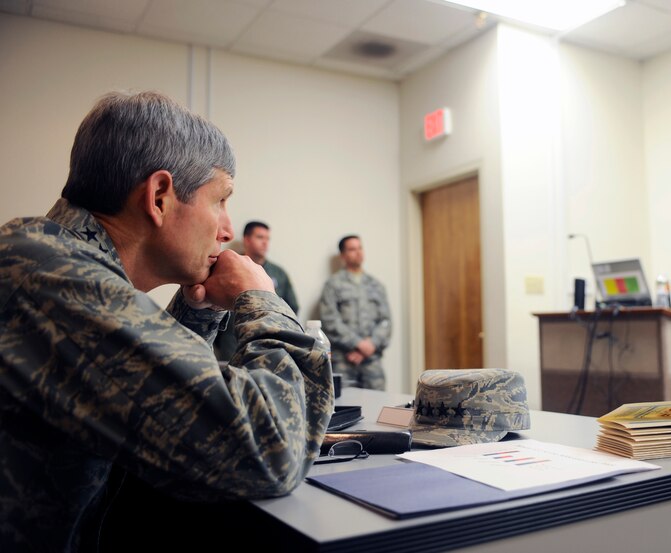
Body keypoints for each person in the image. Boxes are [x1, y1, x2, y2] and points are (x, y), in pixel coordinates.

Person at [0, 91, 334, 553]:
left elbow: (152, 402)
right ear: (159, 197)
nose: (227, 230)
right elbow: (270, 450)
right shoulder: (50, 277)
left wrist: (201, 309)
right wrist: (262, 301)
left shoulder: (47, 261)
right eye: (220, 200)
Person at [214, 220, 299, 361]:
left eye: (267, 238)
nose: (265, 243)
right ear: (246, 240)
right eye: (260, 237)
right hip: (232, 343)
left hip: (269, 345)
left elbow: (292, 308)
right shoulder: (228, 267)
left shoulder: (278, 273)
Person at [320, 235, 392, 390]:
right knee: (344, 403)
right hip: (344, 360)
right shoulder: (333, 284)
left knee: (379, 402)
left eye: (360, 248)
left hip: (372, 360)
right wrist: (358, 344)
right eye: (352, 249)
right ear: (343, 255)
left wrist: (370, 345)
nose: (358, 252)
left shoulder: (376, 285)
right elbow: (330, 320)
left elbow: (386, 321)